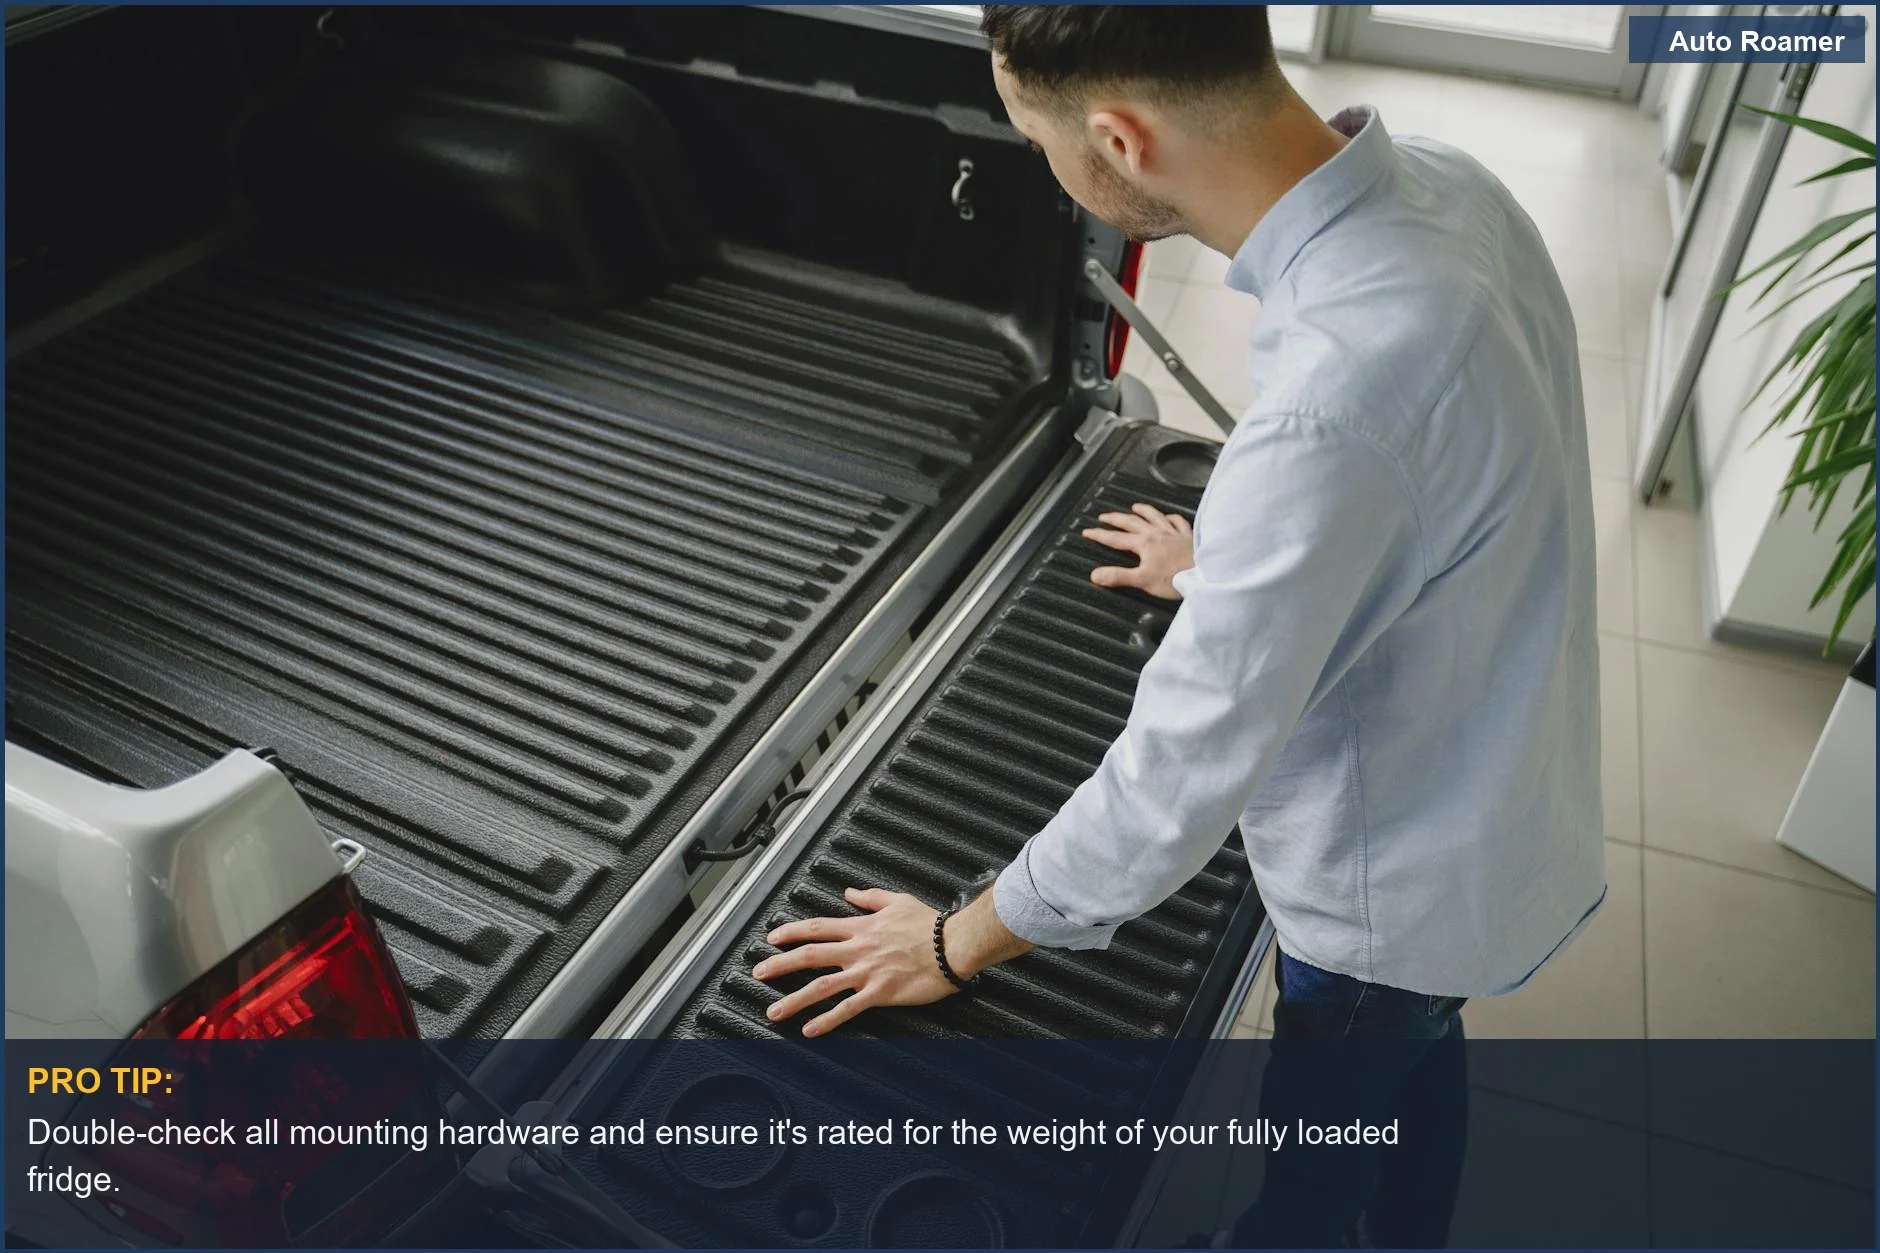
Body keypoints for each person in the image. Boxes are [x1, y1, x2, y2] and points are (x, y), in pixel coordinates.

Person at [755, 6, 1606, 1243]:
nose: (1045, 169)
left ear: (1117, 139)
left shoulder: (1331, 405)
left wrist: (949, 941)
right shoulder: (1454, 193)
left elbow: (1169, 791)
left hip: (1392, 895)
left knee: (1319, 1163)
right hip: (1488, 807)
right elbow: (1433, 483)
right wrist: (1234, 569)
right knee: (1417, 1053)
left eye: (1036, 140)